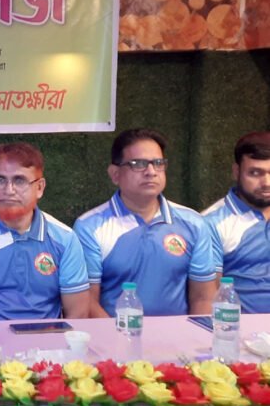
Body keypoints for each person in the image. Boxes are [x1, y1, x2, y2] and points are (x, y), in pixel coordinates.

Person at [74, 128, 216, 317]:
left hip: (177, 334)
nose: (151, 172)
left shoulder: (194, 223)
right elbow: (87, 301)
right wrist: (120, 334)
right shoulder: (90, 227)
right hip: (115, 333)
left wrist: (193, 334)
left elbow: (203, 298)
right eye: (138, 164)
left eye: (158, 163)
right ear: (115, 174)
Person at [0, 142, 89, 321]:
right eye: (0, 180)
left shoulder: (65, 239)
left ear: (39, 188)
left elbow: (78, 313)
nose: (9, 190)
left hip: (47, 336)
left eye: (19, 180)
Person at [203, 131, 270, 313]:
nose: (266, 183)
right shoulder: (210, 223)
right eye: (255, 173)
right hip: (240, 327)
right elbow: (210, 296)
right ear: (236, 172)